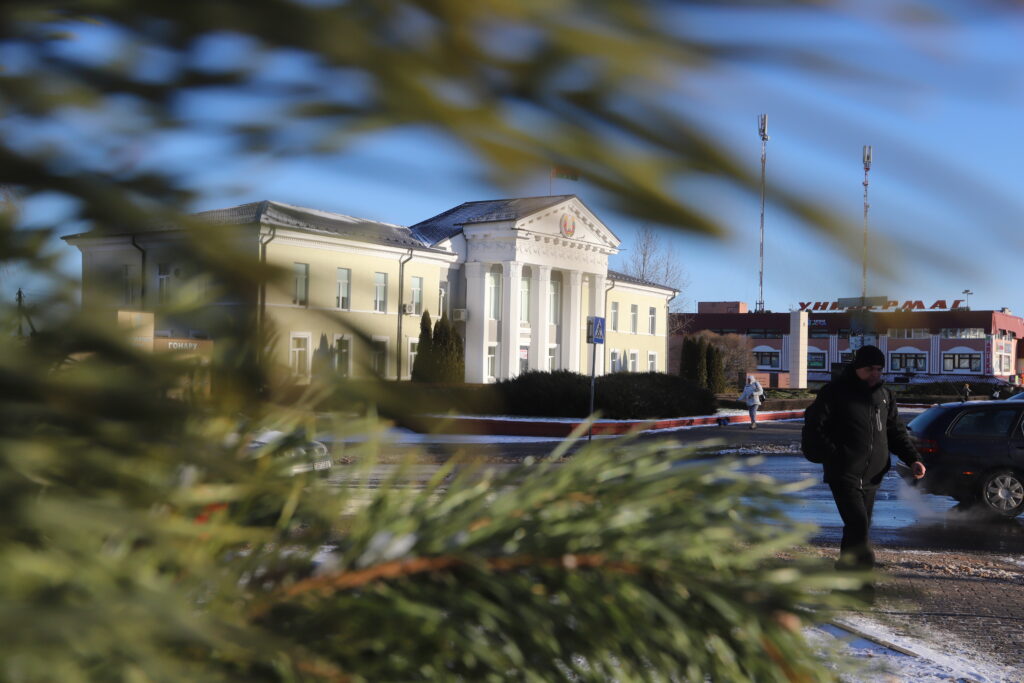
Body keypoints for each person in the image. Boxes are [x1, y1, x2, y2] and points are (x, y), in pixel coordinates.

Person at [801, 345, 926, 570]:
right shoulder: (835, 392)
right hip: (844, 473)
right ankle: (863, 571)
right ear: (857, 367)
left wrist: (913, 459)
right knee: (858, 523)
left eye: (879, 369)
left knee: (860, 525)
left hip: (873, 475)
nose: (875, 374)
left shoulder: (885, 395)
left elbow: (895, 432)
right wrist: (834, 455)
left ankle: (846, 567)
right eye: (870, 369)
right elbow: (813, 426)